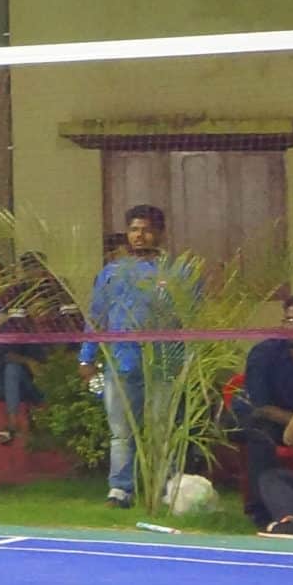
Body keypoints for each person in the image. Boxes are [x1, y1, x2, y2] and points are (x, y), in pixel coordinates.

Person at [87, 206, 175, 508]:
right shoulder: (111, 273)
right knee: (121, 433)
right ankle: (120, 491)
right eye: (134, 229)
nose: (140, 236)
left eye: (147, 230)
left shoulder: (176, 273)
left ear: (160, 233)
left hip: (163, 364)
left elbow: (191, 317)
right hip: (121, 363)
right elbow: (96, 317)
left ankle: (163, 489)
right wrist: (86, 357)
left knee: (162, 430)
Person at [235, 296, 293, 535]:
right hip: (271, 420)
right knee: (260, 438)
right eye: (289, 320)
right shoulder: (265, 352)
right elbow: (261, 405)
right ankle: (270, 517)